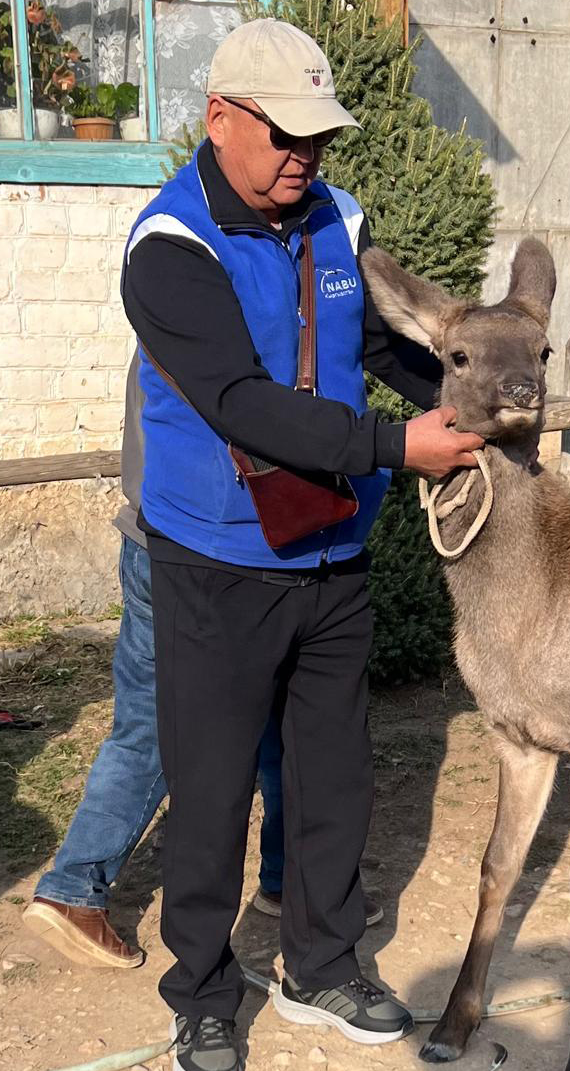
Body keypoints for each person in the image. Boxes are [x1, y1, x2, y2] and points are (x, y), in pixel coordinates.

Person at [123, 19, 483, 1071]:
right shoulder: (170, 250)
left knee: (333, 774)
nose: (304, 158)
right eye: (284, 135)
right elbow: (238, 401)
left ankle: (318, 964)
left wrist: (466, 405)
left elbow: (377, 347)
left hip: (330, 548)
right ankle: (201, 991)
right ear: (220, 117)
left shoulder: (336, 216)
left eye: (318, 138)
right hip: (217, 558)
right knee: (215, 782)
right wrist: (395, 446)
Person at [23, 372, 380, 967]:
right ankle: (74, 888)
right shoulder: (222, 326)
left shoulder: (166, 313)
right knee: (164, 727)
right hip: (203, 557)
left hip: (154, 538)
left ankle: (286, 876)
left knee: (267, 718)